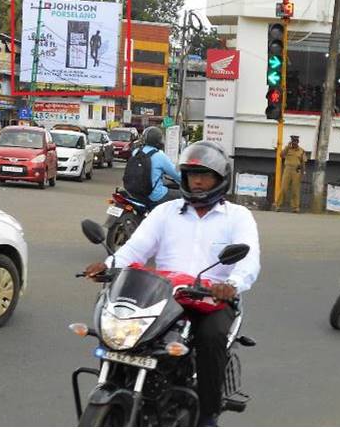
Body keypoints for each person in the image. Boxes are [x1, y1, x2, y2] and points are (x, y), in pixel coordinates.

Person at [84, 141, 261, 427]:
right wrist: (107, 266)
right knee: (120, 329)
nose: (199, 181)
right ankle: (120, 380)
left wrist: (232, 284)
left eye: (205, 175)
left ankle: (207, 414)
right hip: (165, 296)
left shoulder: (237, 217)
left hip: (211, 299)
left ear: (220, 180)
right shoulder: (166, 212)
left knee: (211, 337)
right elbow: (135, 250)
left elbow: (249, 259)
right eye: (193, 175)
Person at [123, 126, 181, 210]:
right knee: (184, 196)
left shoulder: (136, 152)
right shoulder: (160, 156)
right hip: (155, 196)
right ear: (159, 140)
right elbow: (177, 175)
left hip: (134, 192)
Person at [276, 135, 306, 213]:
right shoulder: (287, 149)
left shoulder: (301, 150)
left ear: (298, 142)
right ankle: (278, 205)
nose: (294, 143)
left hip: (296, 170)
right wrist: (287, 147)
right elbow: (281, 155)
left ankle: (295, 207)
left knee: (295, 189)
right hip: (288, 169)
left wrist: (303, 172)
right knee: (283, 188)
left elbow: (303, 162)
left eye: (296, 141)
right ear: (291, 142)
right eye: (293, 141)